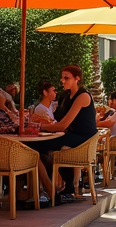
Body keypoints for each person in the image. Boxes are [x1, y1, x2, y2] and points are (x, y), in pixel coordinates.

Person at [40, 65, 98, 203]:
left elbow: (63, 125)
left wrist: (40, 126)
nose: (62, 80)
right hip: (71, 136)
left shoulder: (83, 96)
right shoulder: (66, 96)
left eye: (66, 78)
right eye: (62, 77)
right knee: (38, 148)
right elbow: (58, 119)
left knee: (38, 147)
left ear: (77, 79)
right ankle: (58, 185)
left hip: (83, 140)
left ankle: (52, 188)